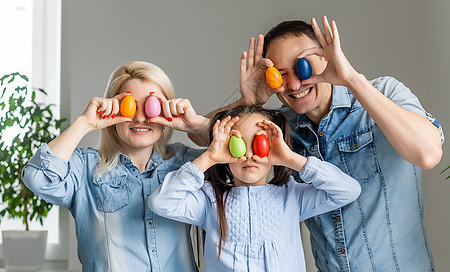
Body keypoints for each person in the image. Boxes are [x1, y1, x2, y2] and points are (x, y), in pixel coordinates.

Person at [200, 16, 444, 271]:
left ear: (326, 57)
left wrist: (350, 77)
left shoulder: (384, 92)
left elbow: (427, 154)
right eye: (280, 74)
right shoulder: (282, 129)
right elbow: (202, 136)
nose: (294, 84)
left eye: (303, 66)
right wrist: (248, 101)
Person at [22, 61, 210, 272]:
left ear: (166, 111)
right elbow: (37, 177)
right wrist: (85, 122)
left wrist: (199, 126)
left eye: (151, 105)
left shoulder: (185, 162)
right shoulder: (85, 169)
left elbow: (242, 163)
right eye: (130, 105)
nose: (140, 117)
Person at [148, 105, 361, 271]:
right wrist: (210, 157)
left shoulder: (292, 196)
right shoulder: (209, 200)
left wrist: (291, 159)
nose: (249, 154)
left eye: (259, 143)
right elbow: (161, 202)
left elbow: (348, 190)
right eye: (238, 144)